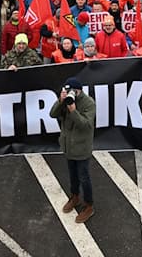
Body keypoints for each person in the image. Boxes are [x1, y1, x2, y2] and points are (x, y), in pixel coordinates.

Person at [51, 77, 96, 224]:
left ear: (79, 91)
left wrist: (73, 111)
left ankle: (89, 205)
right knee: (72, 175)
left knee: (84, 177)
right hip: (68, 146)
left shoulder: (89, 103)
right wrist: (60, 101)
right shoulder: (65, 100)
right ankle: (75, 197)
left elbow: (85, 125)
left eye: (73, 91)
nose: (71, 94)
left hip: (81, 147)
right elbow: (52, 114)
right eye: (68, 91)